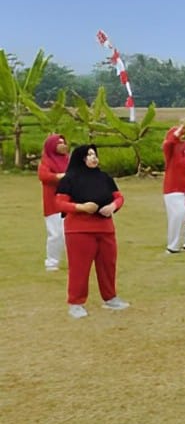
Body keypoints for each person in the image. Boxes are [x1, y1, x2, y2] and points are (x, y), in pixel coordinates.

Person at [56, 145, 129, 318]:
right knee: (79, 268)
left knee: (108, 265)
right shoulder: (69, 179)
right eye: (89, 155)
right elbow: (59, 203)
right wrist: (80, 207)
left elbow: (118, 197)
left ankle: (110, 297)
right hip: (79, 230)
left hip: (105, 229)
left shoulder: (104, 177)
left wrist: (113, 206)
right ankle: (76, 303)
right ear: (80, 158)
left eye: (95, 154)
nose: (93, 158)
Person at [161, 118, 185, 253]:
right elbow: (170, 141)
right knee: (178, 214)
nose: (183, 135)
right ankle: (173, 245)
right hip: (173, 188)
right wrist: (180, 127)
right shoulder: (169, 148)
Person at [38, 133, 70, 271]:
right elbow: (43, 176)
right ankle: (51, 262)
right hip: (52, 203)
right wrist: (59, 176)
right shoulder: (46, 161)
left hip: (68, 201)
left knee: (69, 233)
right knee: (55, 234)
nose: (63, 145)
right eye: (59, 143)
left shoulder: (67, 160)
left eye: (64, 142)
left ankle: (75, 261)